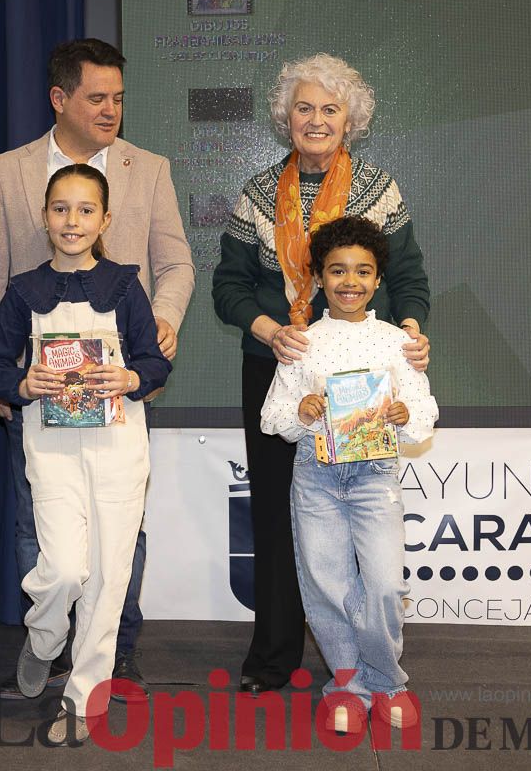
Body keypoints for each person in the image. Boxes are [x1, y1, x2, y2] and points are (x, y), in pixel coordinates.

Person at [0, 38, 194, 698]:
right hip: (35, 393)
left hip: (120, 396)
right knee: (38, 522)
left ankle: (113, 656)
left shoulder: (146, 168)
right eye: (97, 97)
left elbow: (176, 262)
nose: (111, 110)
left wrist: (165, 323)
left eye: (119, 97)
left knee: (123, 529)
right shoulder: (8, 171)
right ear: (59, 98)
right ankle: (52, 648)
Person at [212, 53, 431, 695]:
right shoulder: (256, 194)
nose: (315, 120)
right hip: (282, 374)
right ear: (286, 118)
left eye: (329, 109)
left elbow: (409, 278)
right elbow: (228, 287)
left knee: (360, 528)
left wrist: (412, 336)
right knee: (284, 518)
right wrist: (271, 331)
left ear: (349, 120)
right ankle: (274, 657)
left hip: (364, 375)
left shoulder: (378, 189)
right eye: (303, 108)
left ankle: (367, 664)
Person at [0, 165, 171, 743]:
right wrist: (21, 385)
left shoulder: (125, 286)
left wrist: (131, 377)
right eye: (61, 208)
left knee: (110, 577)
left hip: (118, 445)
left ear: (105, 219)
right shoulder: (24, 292)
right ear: (44, 216)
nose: (72, 221)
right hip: (52, 446)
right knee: (63, 569)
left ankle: (84, 698)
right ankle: (43, 639)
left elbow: (156, 361)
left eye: (86, 210)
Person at [260, 216, 437, 732]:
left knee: (383, 584)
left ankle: (387, 681)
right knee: (327, 585)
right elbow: (274, 419)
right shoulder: (302, 342)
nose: (350, 282)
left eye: (363, 271)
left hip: (375, 477)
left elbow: (425, 416)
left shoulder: (396, 342)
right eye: (337, 271)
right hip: (316, 477)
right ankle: (346, 686)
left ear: (379, 279)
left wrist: (405, 416)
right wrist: (306, 410)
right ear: (319, 277)